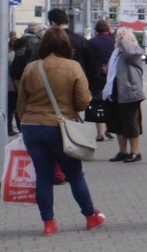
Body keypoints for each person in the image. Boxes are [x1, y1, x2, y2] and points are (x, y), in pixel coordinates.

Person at [15, 27, 105, 236]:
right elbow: (83, 101)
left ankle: (48, 223)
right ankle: (91, 216)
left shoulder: (31, 68)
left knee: (43, 176)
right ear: (66, 45)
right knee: (75, 175)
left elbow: (22, 103)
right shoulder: (73, 67)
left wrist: (24, 125)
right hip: (60, 128)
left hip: (32, 127)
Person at [102, 27, 146, 163]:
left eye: (123, 35)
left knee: (131, 123)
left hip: (129, 92)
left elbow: (130, 54)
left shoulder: (134, 50)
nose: (120, 37)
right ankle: (123, 151)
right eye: (118, 35)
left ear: (130, 38)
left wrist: (124, 41)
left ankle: (135, 152)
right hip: (115, 93)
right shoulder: (116, 52)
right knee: (117, 124)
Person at [10, 21, 46, 134]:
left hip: (17, 74)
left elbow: (17, 58)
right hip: (29, 75)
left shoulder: (20, 40)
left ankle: (21, 124)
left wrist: (16, 77)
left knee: (20, 102)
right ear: (39, 30)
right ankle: (26, 126)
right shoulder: (35, 42)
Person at [86, 19, 116, 141]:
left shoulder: (91, 42)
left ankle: (100, 133)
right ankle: (111, 129)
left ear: (96, 30)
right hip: (112, 76)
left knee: (98, 103)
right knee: (111, 102)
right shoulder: (114, 41)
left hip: (96, 76)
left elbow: (88, 60)